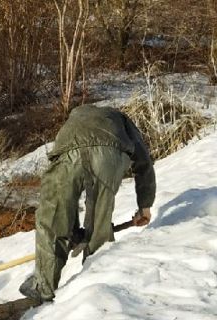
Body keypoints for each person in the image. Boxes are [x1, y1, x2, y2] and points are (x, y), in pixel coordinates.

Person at [19, 104, 156, 303]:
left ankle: (43, 287)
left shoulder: (74, 118)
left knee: (52, 219)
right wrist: (145, 206)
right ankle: (95, 290)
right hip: (108, 156)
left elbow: (63, 203)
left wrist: (71, 230)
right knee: (99, 226)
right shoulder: (122, 120)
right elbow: (143, 163)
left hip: (67, 154)